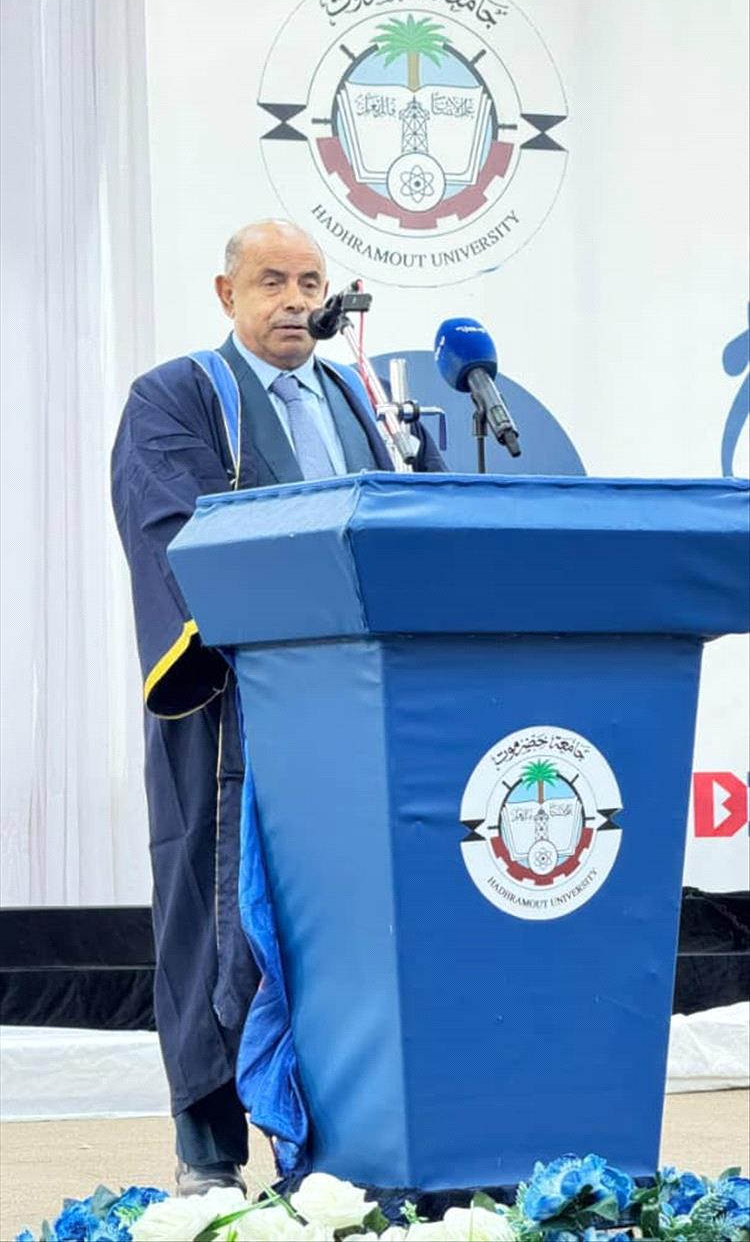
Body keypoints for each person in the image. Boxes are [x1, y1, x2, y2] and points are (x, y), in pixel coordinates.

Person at [111, 220, 444, 1196]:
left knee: (345, 924)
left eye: (308, 281)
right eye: (271, 281)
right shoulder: (179, 396)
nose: (295, 300)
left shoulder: (358, 397)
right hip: (232, 707)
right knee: (215, 922)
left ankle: (348, 1148)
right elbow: (179, 535)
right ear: (227, 293)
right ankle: (208, 1148)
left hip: (356, 715)